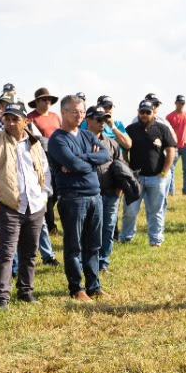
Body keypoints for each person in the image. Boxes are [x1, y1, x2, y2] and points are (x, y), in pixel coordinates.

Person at [0, 101, 51, 308]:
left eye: (14, 119)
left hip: (35, 206)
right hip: (9, 206)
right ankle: (1, 296)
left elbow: (45, 172)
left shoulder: (35, 143)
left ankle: (26, 291)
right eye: (6, 118)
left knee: (29, 252)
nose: (9, 123)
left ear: (25, 121)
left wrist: (43, 197)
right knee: (7, 253)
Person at [48, 94, 111, 300]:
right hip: (73, 199)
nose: (80, 115)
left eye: (82, 112)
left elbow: (104, 155)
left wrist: (81, 158)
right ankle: (77, 288)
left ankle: (94, 286)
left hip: (95, 197)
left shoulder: (87, 135)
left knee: (94, 245)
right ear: (63, 112)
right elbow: (73, 165)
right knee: (74, 246)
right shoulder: (57, 139)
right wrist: (83, 162)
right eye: (75, 111)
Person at [120, 99, 177, 247]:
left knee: (156, 211)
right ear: (138, 112)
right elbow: (125, 151)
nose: (144, 114)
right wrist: (128, 169)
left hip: (156, 178)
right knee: (130, 210)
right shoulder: (130, 129)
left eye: (148, 112)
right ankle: (126, 238)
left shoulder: (162, 129)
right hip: (135, 179)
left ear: (153, 113)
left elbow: (171, 151)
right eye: (142, 112)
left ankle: (155, 240)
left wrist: (164, 173)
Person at [85, 105, 130, 272]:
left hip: (111, 193)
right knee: (89, 230)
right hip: (90, 195)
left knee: (108, 229)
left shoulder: (111, 143)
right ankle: (89, 262)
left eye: (104, 119)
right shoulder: (80, 141)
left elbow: (121, 167)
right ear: (88, 120)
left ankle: (103, 263)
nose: (101, 122)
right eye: (98, 119)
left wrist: (119, 189)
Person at [165, 95, 186, 196]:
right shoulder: (169, 117)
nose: (181, 105)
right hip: (174, 147)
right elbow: (166, 131)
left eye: (183, 103)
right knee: (170, 169)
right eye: (179, 103)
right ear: (175, 103)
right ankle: (171, 191)